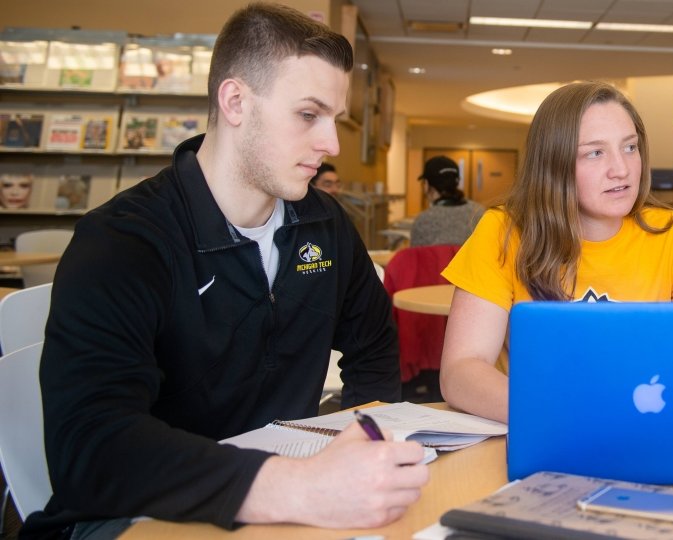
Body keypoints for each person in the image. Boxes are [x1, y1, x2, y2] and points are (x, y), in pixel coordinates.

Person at [26, 4, 428, 538]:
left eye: (334, 118)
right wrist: (300, 487)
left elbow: (374, 343)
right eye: (309, 115)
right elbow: (92, 448)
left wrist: (361, 436)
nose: (331, 145)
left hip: (285, 491)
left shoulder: (324, 223)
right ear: (235, 101)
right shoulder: (123, 240)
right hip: (139, 511)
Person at [439, 81, 673, 423]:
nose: (621, 169)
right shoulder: (503, 232)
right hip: (541, 429)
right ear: (554, 164)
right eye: (595, 152)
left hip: (651, 427)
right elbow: (460, 371)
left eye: (630, 147)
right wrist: (560, 414)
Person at [409, 155, 483, 247]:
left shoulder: (424, 220)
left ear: (427, 184)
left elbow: (416, 258)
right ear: (457, 181)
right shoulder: (479, 212)